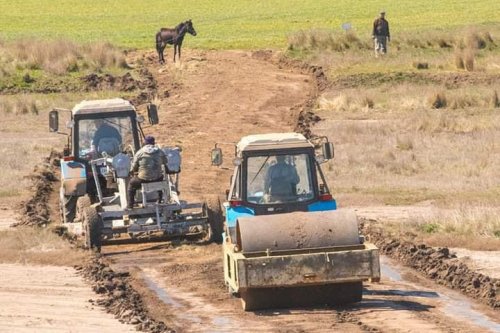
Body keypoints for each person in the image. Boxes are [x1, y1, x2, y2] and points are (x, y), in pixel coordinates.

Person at [127, 135, 168, 209]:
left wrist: (132, 171)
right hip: (157, 178)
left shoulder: (140, 152)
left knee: (131, 184)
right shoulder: (160, 151)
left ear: (144, 143)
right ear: (154, 143)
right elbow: (165, 161)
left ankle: (130, 205)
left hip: (143, 179)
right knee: (160, 177)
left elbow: (133, 167)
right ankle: (159, 199)